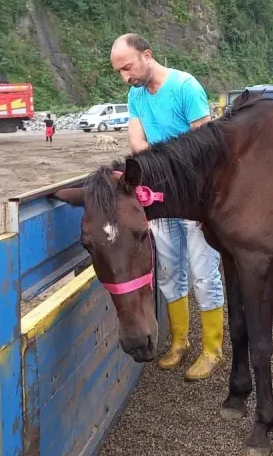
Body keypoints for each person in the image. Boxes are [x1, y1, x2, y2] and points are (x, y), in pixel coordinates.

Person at [110, 33, 224, 381]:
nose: (125, 77)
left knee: (204, 274)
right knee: (170, 273)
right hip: (158, 200)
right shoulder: (136, 96)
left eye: (127, 67)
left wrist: (164, 165)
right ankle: (178, 342)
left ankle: (212, 348)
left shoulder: (186, 87)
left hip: (194, 200)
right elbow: (136, 142)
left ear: (147, 55)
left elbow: (204, 149)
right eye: (119, 71)